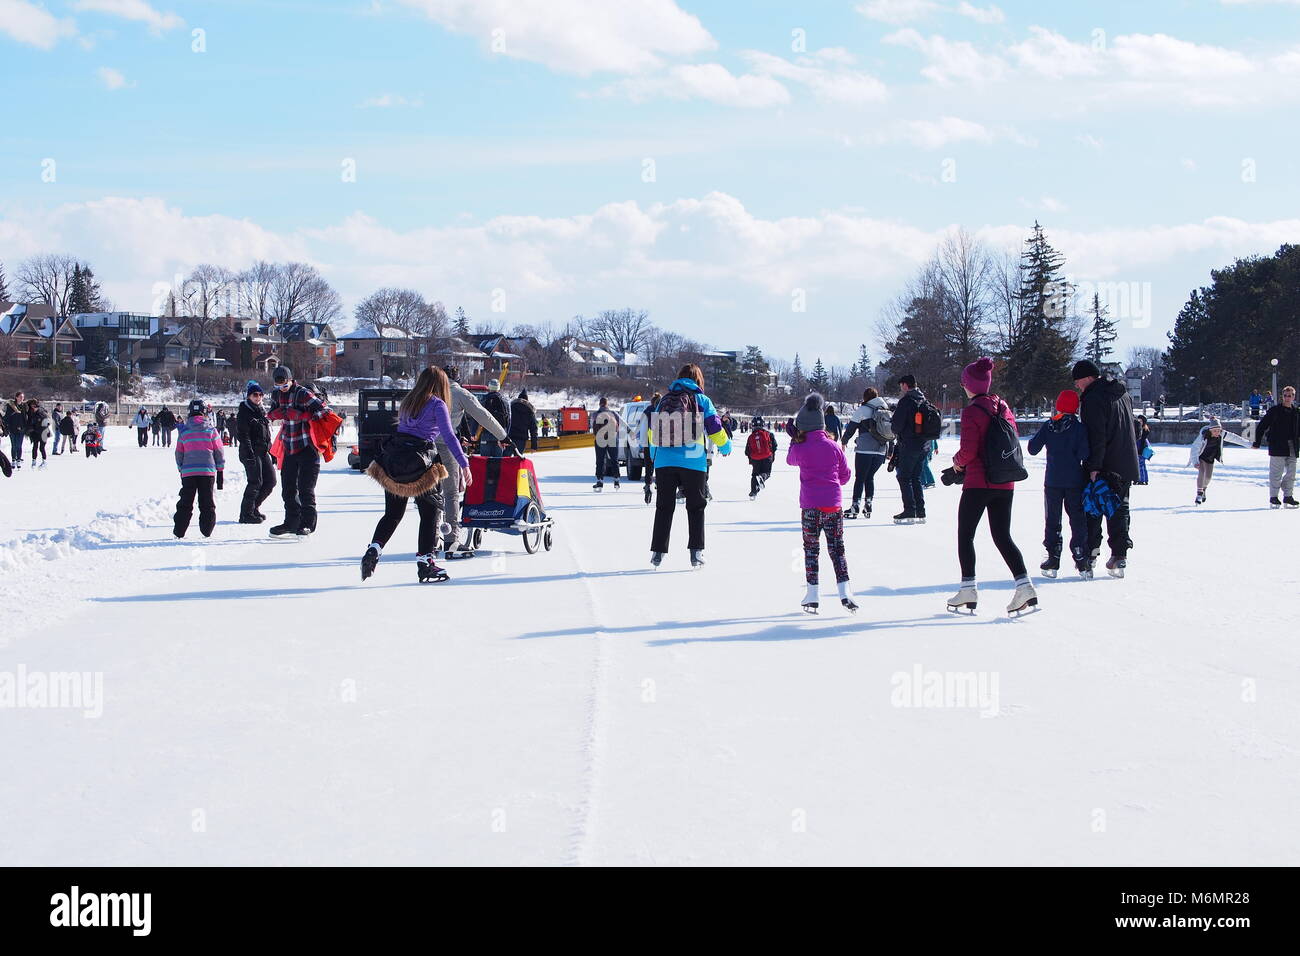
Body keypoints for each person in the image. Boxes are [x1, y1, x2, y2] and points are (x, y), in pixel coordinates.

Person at [360, 367, 470, 584]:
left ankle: (373, 550)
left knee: (392, 515)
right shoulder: (438, 404)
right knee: (429, 515)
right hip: (420, 465)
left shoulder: (409, 401)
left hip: (393, 460)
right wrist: (464, 464)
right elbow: (448, 436)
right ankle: (425, 564)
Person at [947, 357, 1037, 615]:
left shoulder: (972, 411)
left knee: (966, 534)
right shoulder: (1004, 408)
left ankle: (968, 588)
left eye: (964, 383)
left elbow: (969, 451)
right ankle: (1024, 585)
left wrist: (956, 463)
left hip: (977, 483)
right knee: (1002, 536)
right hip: (1004, 482)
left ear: (970, 385)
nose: (963, 387)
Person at [649, 364, 732, 567]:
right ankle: (696, 552)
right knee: (696, 507)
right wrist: (725, 445)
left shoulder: (664, 401)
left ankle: (658, 553)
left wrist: (655, 457)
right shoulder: (701, 399)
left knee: (664, 507)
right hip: (693, 461)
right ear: (698, 380)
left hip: (665, 461)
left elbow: (652, 431)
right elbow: (714, 426)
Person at [786, 394, 856, 613]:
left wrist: (793, 439)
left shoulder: (800, 448)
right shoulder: (834, 446)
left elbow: (790, 460)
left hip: (809, 507)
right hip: (833, 506)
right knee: (837, 549)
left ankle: (813, 594)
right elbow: (845, 476)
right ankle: (845, 592)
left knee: (811, 550)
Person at [1074, 359, 1140, 578]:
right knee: (1119, 509)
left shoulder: (1094, 398)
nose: (1077, 386)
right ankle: (1119, 555)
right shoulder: (1122, 394)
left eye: (1078, 382)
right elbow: (1134, 426)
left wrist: (1094, 466)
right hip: (1125, 462)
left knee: (1094, 507)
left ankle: (1091, 553)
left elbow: (1097, 435)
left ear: (1087, 378)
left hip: (1105, 463)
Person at [438, 366, 508, 558]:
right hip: (446, 445)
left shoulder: (429, 392)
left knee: (432, 495)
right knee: (450, 492)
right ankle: (451, 541)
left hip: (424, 447)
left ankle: (432, 537)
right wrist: (502, 435)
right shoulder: (459, 393)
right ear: (456, 378)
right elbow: (482, 415)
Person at [1027, 390, 1090, 577]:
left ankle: (1053, 558)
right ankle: (1080, 555)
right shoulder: (1079, 428)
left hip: (1053, 480)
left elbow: (1032, 448)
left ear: (1059, 405)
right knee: (1077, 520)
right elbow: (1084, 454)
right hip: (1074, 481)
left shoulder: (1049, 425)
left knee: (1053, 520)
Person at [266, 364, 330, 536]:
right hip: (289, 446)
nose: (282, 388)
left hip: (307, 446)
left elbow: (325, 411)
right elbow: (271, 413)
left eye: (284, 384)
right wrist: (275, 414)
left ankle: (308, 524)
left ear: (290, 380)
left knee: (305, 488)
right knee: (288, 489)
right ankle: (291, 522)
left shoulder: (302, 393)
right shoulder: (277, 394)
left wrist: (302, 416)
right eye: (278, 385)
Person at [173, 398, 225, 538]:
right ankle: (206, 530)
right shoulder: (211, 431)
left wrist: (181, 468)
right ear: (204, 413)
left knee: (185, 501)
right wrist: (220, 469)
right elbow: (219, 451)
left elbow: (179, 453)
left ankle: (179, 531)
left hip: (188, 472)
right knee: (207, 502)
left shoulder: (184, 432)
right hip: (207, 471)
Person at [839, 387, 892, 519]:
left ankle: (855, 505)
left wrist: (844, 441)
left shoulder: (862, 410)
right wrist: (890, 450)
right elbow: (891, 432)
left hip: (865, 449)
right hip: (881, 449)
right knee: (870, 477)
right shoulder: (886, 410)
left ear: (865, 398)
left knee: (860, 477)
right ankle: (868, 503)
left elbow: (851, 428)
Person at [889, 374, 934, 524]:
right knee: (915, 477)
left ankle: (909, 509)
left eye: (901, 386)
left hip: (909, 445)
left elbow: (896, 426)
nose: (901, 389)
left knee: (903, 477)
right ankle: (920, 510)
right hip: (924, 445)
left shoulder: (906, 401)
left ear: (905, 385)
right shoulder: (923, 399)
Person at [235, 381, 276, 524]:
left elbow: (266, 434)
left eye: (260, 395)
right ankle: (245, 514)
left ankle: (253, 508)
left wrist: (272, 452)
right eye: (254, 395)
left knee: (270, 481)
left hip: (263, 451)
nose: (258, 397)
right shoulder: (245, 412)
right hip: (250, 452)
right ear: (248, 396)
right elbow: (242, 435)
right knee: (255, 482)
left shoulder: (261, 411)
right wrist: (249, 452)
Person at [1254, 384, 1300, 508]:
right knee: (1276, 473)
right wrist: (1257, 442)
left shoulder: (1296, 412)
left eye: (1290, 396)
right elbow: (1262, 426)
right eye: (1285, 395)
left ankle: (1288, 496)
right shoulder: (1275, 410)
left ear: (1294, 397)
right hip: (1277, 445)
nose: (1287, 398)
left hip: (1292, 446)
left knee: (1291, 473)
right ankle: (1274, 497)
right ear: (1282, 397)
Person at [1189, 418, 1224, 505]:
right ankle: (1199, 494)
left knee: (1208, 477)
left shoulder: (1222, 434)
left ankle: (1204, 489)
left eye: (1218, 431)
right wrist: (1195, 461)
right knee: (1202, 472)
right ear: (1210, 430)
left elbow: (1236, 438)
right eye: (1215, 431)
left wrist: (1251, 444)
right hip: (1201, 457)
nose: (1217, 433)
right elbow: (1194, 448)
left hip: (1210, 459)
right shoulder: (1203, 436)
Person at [744, 416, 778, 500]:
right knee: (767, 473)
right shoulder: (769, 434)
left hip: (755, 459)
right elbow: (775, 446)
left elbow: (747, 451)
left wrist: (751, 458)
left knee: (754, 475)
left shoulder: (751, 436)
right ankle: (762, 477)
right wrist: (772, 455)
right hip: (767, 457)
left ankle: (753, 492)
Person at [592, 397, 622, 491]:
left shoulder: (596, 414)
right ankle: (616, 480)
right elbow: (618, 425)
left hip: (600, 439)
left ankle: (600, 481)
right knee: (614, 459)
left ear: (600, 404)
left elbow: (593, 427)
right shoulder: (613, 413)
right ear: (607, 404)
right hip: (613, 438)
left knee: (600, 460)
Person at [638, 392, 661, 505]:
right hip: (663, 444)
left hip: (649, 443)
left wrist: (642, 444)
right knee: (660, 465)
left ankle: (648, 485)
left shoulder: (647, 411)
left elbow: (643, 429)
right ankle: (659, 484)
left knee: (649, 466)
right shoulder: (665, 410)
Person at [478, 379, 511, 456]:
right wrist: (505, 435)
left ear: (489, 387)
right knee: (498, 463)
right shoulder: (505, 401)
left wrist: (474, 435)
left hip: (485, 435)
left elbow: (476, 418)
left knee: (484, 462)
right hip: (500, 436)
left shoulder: (483, 400)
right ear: (498, 388)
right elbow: (508, 420)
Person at [3, 391, 26, 468]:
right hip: (12, 429)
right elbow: (6, 417)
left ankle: (18, 460)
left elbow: (25, 418)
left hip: (21, 429)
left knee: (19, 445)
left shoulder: (24, 406)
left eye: (23, 397)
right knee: (14, 445)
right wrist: (7, 427)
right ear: (16, 397)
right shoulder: (10, 406)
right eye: (20, 397)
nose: (22, 398)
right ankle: (13, 460)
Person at [25, 400, 51, 466]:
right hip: (35, 433)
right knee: (35, 446)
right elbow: (29, 422)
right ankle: (34, 461)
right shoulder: (30, 412)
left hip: (43, 432)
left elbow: (47, 422)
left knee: (42, 448)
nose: (33, 407)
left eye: (34, 406)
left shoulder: (42, 412)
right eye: (32, 406)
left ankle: (44, 461)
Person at [1135, 415, 1152, 485]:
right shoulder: (1139, 429)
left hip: (1141, 450)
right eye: (1138, 421)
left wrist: (1140, 451)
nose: (1139, 422)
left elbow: (1142, 442)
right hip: (1139, 448)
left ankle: (1141, 479)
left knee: (1140, 465)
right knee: (1141, 465)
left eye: (1141, 421)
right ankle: (1143, 479)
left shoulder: (1143, 430)